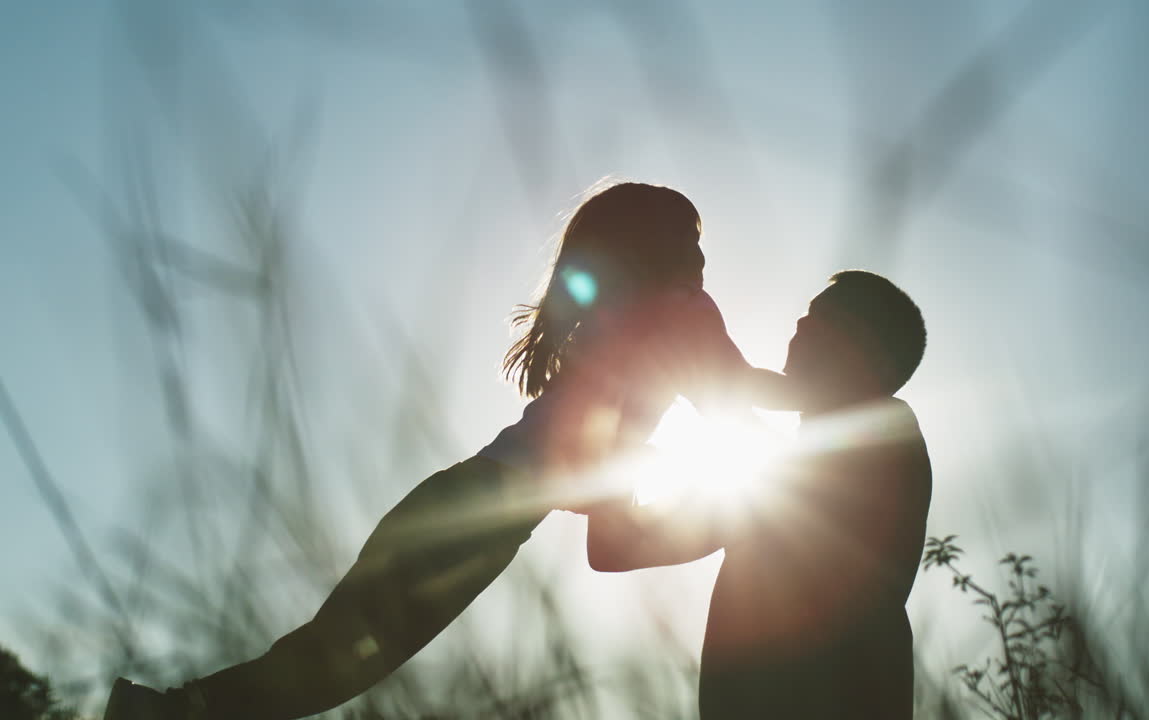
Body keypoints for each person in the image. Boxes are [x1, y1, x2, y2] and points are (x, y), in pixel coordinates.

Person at [104, 182, 790, 719]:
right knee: (326, 670)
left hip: (456, 501)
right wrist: (821, 412)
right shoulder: (682, 312)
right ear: (658, 249)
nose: (704, 256)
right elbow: (729, 394)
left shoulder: (625, 334)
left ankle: (162, 711)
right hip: (478, 519)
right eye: (691, 239)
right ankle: (160, 714)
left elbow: (614, 475)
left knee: (322, 663)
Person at [586, 270, 932, 720]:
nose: (802, 325)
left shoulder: (889, 430)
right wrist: (627, 419)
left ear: (870, 354)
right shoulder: (761, 490)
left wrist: (699, 374)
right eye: (808, 313)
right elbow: (614, 547)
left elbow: (753, 395)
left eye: (827, 319)